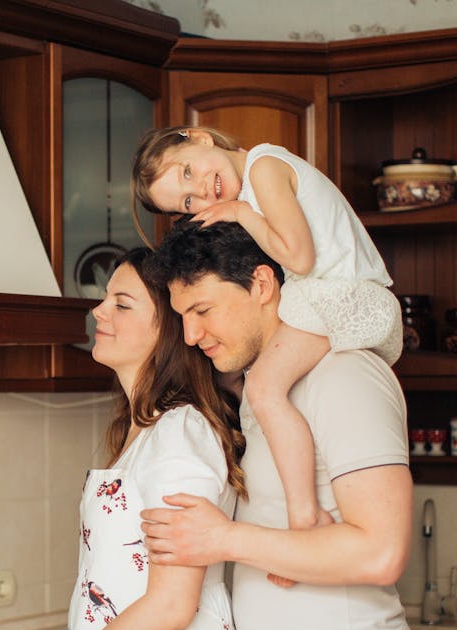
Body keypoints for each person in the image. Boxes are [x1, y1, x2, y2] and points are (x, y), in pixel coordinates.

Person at [142, 220, 426, 630]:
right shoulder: (265, 392)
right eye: (182, 316)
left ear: (264, 284)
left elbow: (380, 549)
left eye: (204, 309)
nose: (192, 334)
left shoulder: (346, 376)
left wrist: (222, 539)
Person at [5, 248, 275, 630]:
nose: (99, 309)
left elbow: (174, 603)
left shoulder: (179, 434)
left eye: (122, 303)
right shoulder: (147, 428)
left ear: (169, 332)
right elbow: (132, 579)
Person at [131, 125, 402, 534]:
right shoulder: (254, 184)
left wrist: (242, 213)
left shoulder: (264, 167)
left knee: (263, 390)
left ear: (200, 136)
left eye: (187, 172)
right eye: (188, 201)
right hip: (333, 298)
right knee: (252, 384)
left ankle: (303, 513)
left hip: (347, 297)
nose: (203, 194)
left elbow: (300, 256)